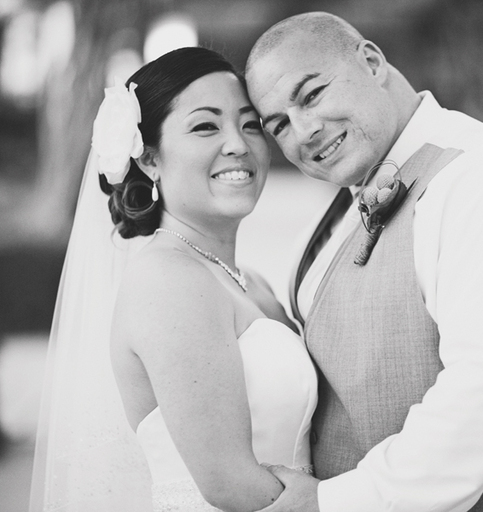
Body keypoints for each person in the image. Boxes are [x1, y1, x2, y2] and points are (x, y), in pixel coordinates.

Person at [245, 12, 483, 512]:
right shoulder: (335, 211)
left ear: (371, 62)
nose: (304, 131)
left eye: (311, 95)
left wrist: (336, 502)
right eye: (278, 125)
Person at [29, 47, 317, 512]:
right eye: (206, 126)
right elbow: (229, 483)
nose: (238, 144)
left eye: (251, 124)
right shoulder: (168, 280)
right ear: (149, 159)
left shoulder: (249, 282)